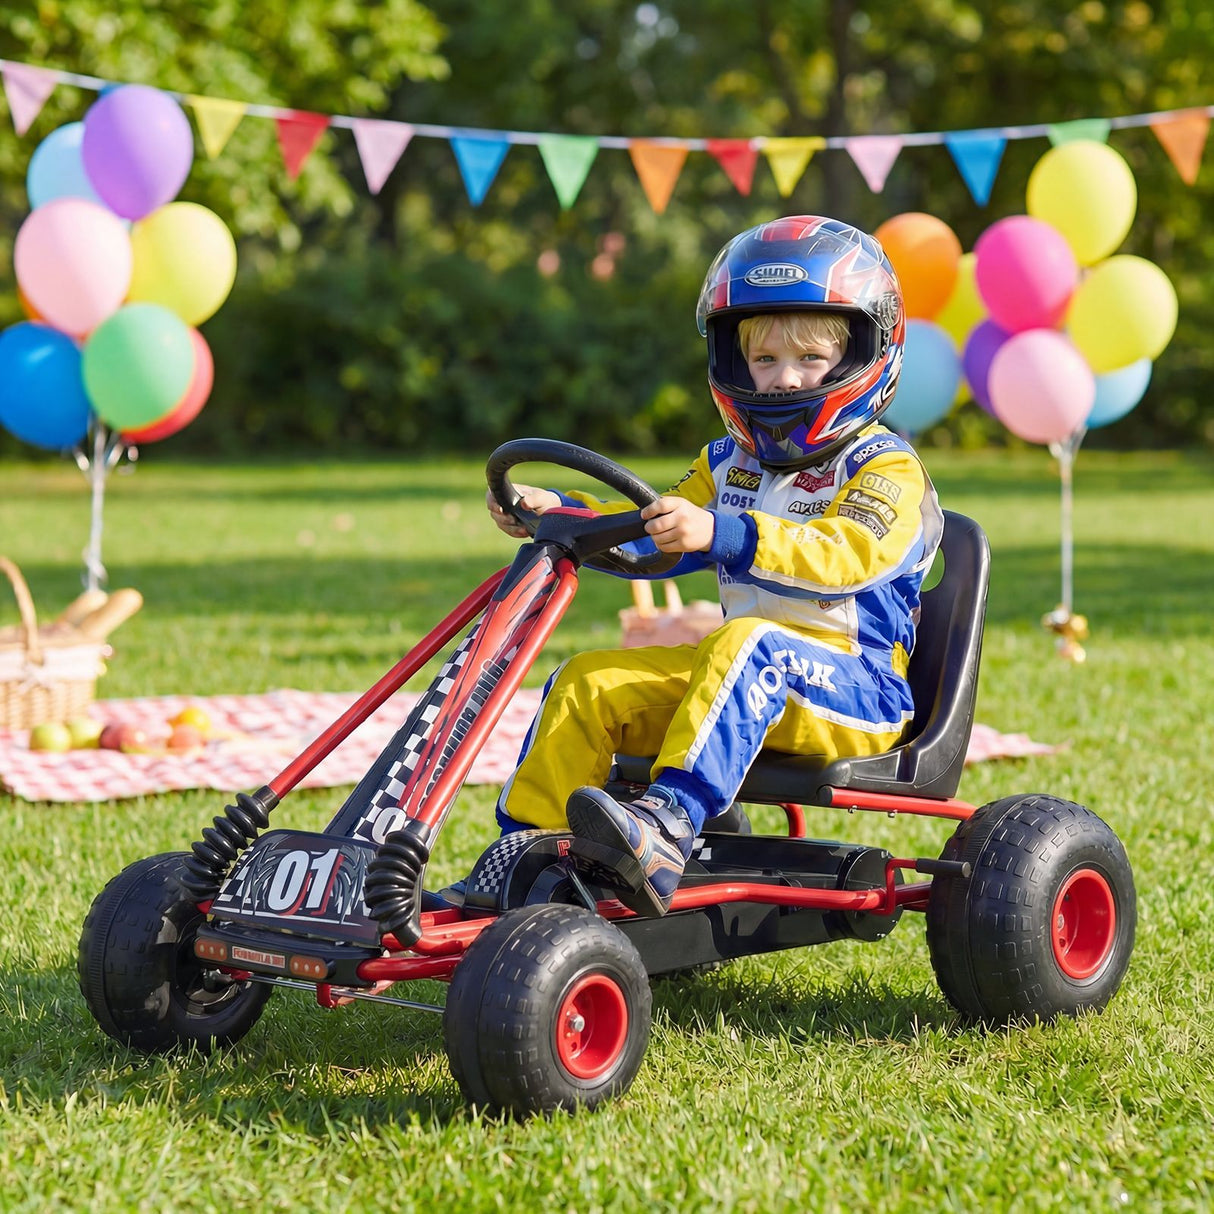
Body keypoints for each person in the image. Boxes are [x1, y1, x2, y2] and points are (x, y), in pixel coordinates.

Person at [480, 215, 943, 918]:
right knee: (588, 681)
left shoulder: (886, 468)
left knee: (741, 644)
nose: (785, 381)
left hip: (857, 692)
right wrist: (558, 513)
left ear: (862, 356)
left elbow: (847, 555)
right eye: (764, 362)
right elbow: (654, 532)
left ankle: (665, 828)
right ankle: (525, 862)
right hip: (742, 679)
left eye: (809, 361)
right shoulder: (726, 464)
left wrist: (724, 533)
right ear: (733, 362)